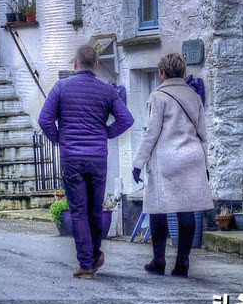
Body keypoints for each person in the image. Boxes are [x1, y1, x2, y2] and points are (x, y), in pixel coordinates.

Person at [39, 44, 134, 279]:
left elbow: (45, 120)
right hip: (98, 158)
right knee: (95, 208)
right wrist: (106, 134)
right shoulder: (107, 91)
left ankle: (87, 263)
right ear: (95, 65)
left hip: (72, 157)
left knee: (79, 210)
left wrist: (60, 138)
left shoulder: (61, 87)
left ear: (74, 63)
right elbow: (127, 119)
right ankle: (94, 256)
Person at [132, 53, 214, 277]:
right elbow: (203, 134)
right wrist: (205, 165)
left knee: (159, 209)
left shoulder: (157, 96)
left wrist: (138, 163)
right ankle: (182, 263)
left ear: (162, 73)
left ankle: (158, 261)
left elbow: (151, 133)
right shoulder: (194, 96)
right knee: (186, 209)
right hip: (192, 157)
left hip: (167, 159)